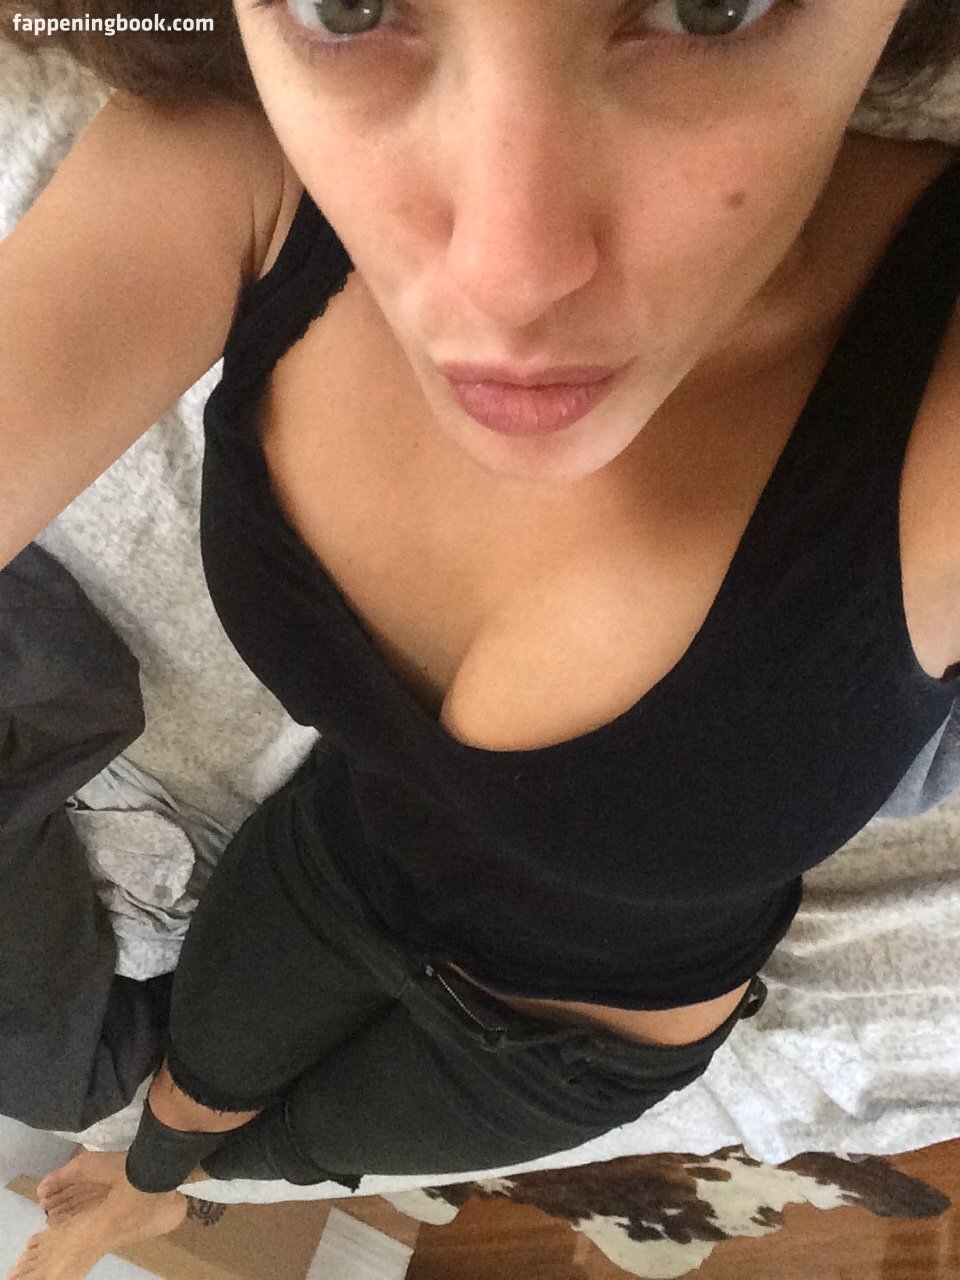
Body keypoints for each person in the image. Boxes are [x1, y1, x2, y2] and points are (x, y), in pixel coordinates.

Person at [3, 0, 960, 1265]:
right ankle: (156, 1178)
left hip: (577, 1041)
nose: (508, 277)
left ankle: (175, 1190)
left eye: (711, 6)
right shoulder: (236, 159)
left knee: (279, 1152)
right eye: (348, 7)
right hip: (329, 868)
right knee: (188, 1091)